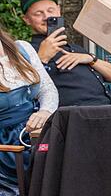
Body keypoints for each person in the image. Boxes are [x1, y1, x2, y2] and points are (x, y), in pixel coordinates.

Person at [20, 0, 111, 106]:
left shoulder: (76, 49)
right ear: (27, 20)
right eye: (38, 13)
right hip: (74, 118)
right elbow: (20, 90)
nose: (46, 17)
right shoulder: (24, 51)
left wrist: (90, 59)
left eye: (50, 10)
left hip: (110, 110)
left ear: (59, 11)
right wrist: (42, 59)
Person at [0, 24, 58, 195]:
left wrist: (45, 112)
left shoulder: (22, 48)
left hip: (37, 132)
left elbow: (47, 89)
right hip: (5, 147)